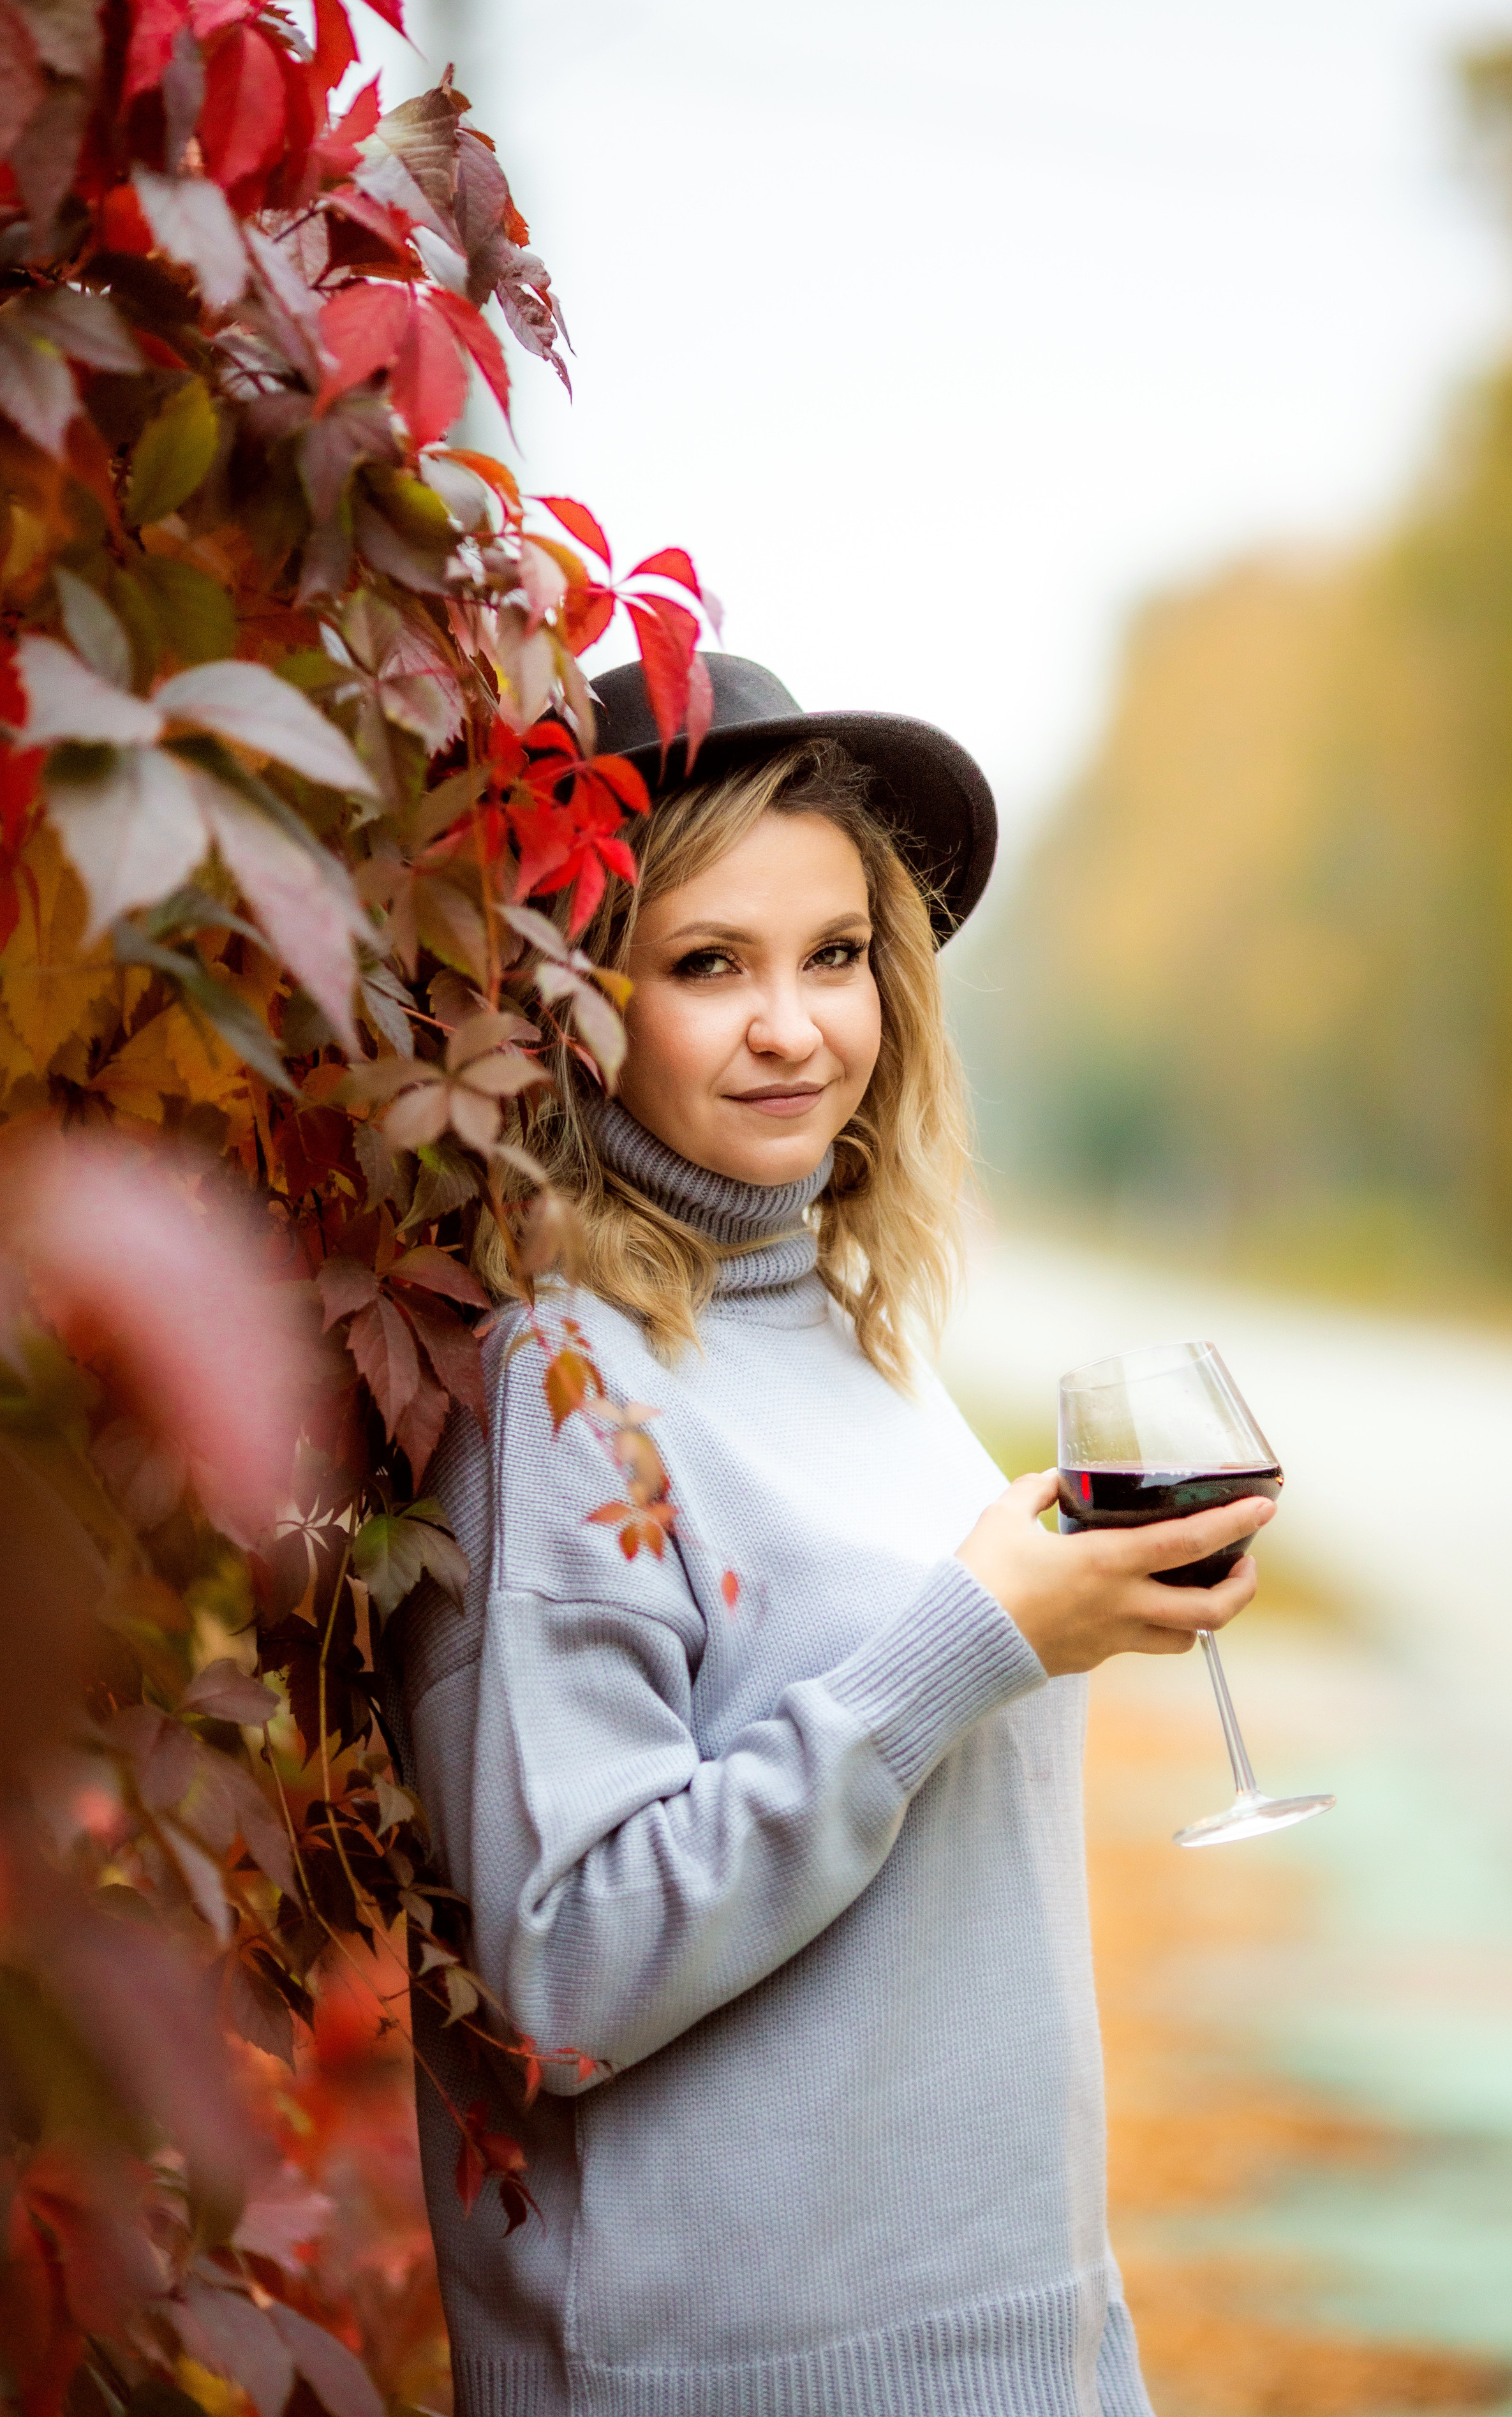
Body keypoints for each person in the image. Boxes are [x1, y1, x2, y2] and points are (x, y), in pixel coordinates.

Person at [390, 655, 1273, 2417]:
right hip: (736, 2378)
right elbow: (561, 1971)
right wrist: (967, 1641)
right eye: (709, 964)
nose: (794, 1026)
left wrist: (1051, 1609)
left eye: (838, 953)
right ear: (572, 1001)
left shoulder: (855, 1332)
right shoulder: (557, 1387)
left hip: (1022, 2343)